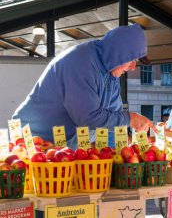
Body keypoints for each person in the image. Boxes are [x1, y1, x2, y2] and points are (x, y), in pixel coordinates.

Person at [13, 24, 156, 149]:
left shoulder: (111, 72)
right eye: (131, 60)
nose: (133, 67)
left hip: (64, 148)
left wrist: (125, 145)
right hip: (34, 140)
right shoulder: (81, 62)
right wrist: (129, 119)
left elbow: (113, 114)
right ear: (118, 54)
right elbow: (88, 118)